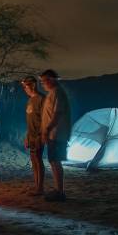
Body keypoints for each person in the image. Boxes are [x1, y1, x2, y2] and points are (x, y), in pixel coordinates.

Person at [40, 69, 71, 202]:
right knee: (53, 161)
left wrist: (47, 129)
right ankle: (58, 189)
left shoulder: (58, 92)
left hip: (57, 134)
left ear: (51, 80)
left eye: (44, 81)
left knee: (55, 161)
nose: (43, 84)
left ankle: (60, 191)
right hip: (53, 134)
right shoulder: (52, 93)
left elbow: (57, 114)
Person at [21, 75, 45, 195]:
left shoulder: (41, 99)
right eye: (24, 86)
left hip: (38, 135)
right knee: (33, 160)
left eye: (26, 86)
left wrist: (40, 136)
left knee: (38, 159)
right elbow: (30, 120)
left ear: (33, 85)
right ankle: (37, 186)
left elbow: (44, 120)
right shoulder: (29, 100)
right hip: (31, 135)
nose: (25, 89)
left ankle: (40, 188)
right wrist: (27, 136)